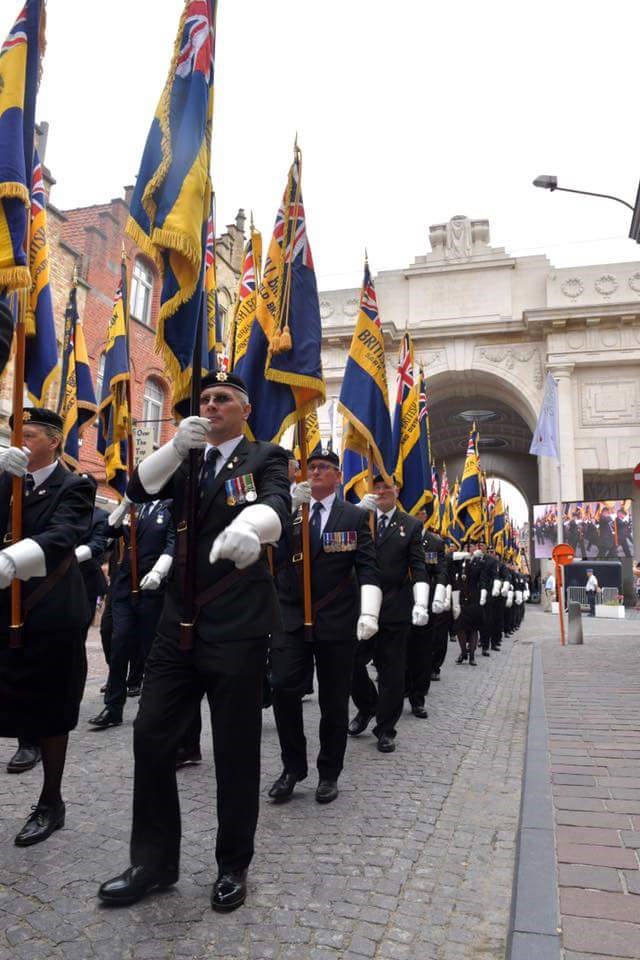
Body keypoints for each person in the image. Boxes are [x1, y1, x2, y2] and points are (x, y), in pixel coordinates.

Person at [98, 371, 290, 912]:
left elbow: (279, 505)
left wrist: (252, 526)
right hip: (176, 625)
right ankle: (154, 863)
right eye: (204, 398)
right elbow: (137, 490)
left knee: (233, 750)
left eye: (221, 398)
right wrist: (171, 447)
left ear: (244, 410)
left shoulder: (265, 456)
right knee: (151, 735)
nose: (210, 405)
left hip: (237, 625)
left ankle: (233, 864)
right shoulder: (187, 455)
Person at [0, 408, 93, 845]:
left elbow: (64, 535)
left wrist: (12, 560)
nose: (20, 440)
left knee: (53, 711)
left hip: (51, 612)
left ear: (54, 441)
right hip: (4, 611)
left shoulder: (74, 486)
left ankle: (50, 801)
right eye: (16, 433)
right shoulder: (6, 480)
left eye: (30, 434)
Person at [268, 449, 380, 803]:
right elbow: (272, 553)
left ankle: (328, 773)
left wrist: (369, 611)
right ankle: (292, 767)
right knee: (284, 688)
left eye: (323, 468)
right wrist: (285, 510)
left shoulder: (354, 516)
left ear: (338, 475)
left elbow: (367, 566)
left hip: (335, 619)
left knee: (333, 701)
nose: (315, 472)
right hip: (290, 616)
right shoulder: (290, 511)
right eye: (310, 467)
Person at [349, 474, 427, 752]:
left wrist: (421, 601)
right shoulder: (359, 519)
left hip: (394, 605)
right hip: (360, 606)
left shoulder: (411, 525)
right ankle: (367, 705)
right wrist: (357, 511)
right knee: (350, 664)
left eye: (386, 487)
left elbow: (418, 566)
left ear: (397, 490)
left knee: (391, 672)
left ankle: (385, 728)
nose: (381, 491)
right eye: (376, 486)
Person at [89, 499, 175, 728]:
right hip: (126, 585)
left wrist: (159, 571)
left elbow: (173, 543)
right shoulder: (134, 507)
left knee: (151, 650)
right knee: (118, 644)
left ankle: (152, 708)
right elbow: (109, 530)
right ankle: (113, 707)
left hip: (153, 587)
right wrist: (124, 506)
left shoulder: (170, 507)